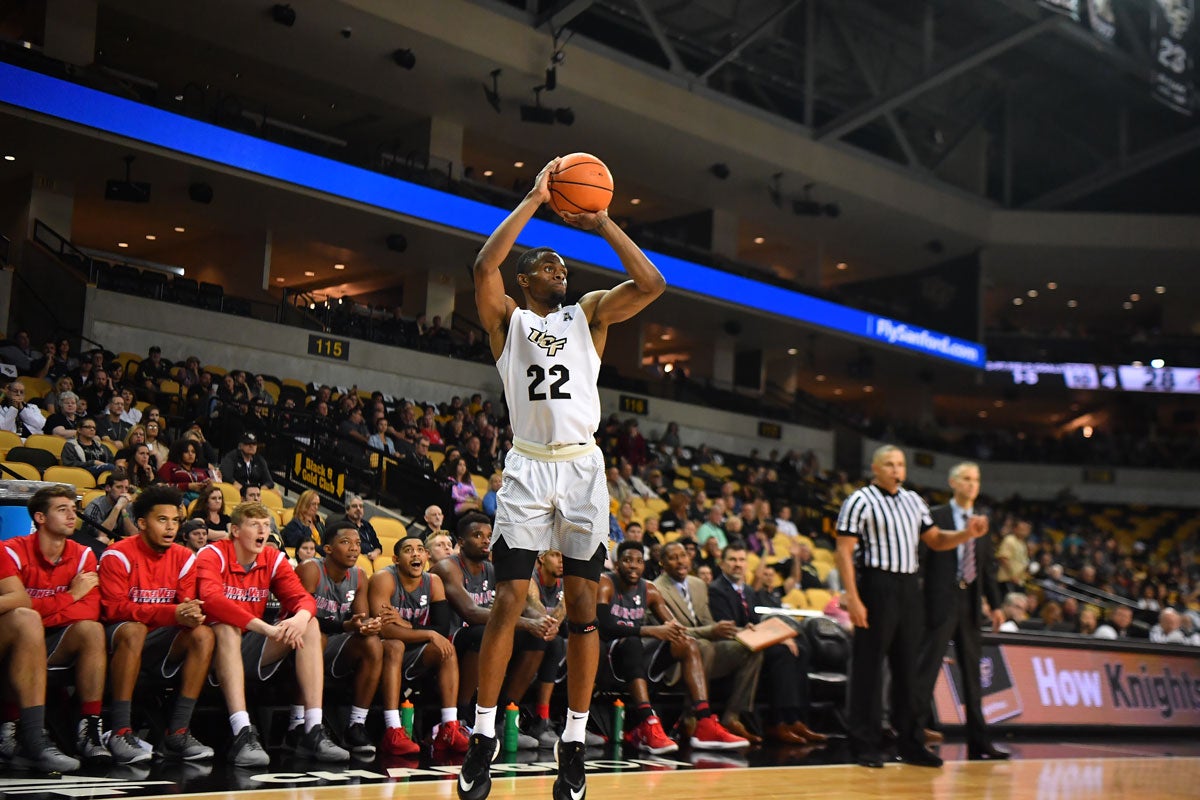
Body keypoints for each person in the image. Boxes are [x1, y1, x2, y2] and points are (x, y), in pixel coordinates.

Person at [459, 156, 666, 800]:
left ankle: (574, 742)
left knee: (582, 611)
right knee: (509, 604)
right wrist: (533, 196)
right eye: (549, 265)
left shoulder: (591, 314)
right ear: (528, 277)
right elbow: (482, 267)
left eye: (563, 267)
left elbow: (652, 282)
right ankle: (484, 734)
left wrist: (603, 221)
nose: (561, 271)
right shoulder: (508, 322)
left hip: (582, 467)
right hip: (526, 465)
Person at [834, 445, 988, 769]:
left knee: (908, 670)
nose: (896, 470)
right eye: (889, 464)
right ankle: (865, 742)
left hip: (909, 588)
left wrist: (965, 534)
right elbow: (844, 552)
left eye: (900, 464)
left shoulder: (914, 501)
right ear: (875, 469)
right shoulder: (860, 500)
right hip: (876, 585)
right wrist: (853, 597)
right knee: (869, 667)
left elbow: (935, 540)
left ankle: (911, 741)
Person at [196, 501, 349, 765]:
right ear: (234, 530)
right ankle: (242, 732)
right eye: (254, 525)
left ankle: (311, 728)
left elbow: (302, 598)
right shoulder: (212, 554)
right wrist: (264, 627)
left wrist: (301, 617)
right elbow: (212, 601)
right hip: (211, 651)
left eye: (266, 525)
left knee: (310, 624)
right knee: (226, 626)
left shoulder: (273, 558)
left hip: (250, 647)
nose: (262, 531)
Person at [98, 485, 216, 763]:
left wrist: (192, 613)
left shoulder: (185, 556)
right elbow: (115, 609)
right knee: (134, 629)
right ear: (141, 523)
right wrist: (172, 613)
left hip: (158, 640)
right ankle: (120, 730)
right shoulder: (117, 555)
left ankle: (178, 731)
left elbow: (184, 606)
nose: (170, 527)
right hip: (117, 639)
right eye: (162, 520)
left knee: (204, 635)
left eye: (175, 521)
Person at [597, 541, 749, 754]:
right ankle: (648, 721)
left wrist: (674, 629)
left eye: (639, 561)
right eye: (627, 560)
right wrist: (650, 631)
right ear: (616, 564)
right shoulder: (606, 583)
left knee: (686, 643)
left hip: (639, 657)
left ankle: (704, 721)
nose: (633, 566)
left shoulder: (649, 589)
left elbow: (673, 626)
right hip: (608, 658)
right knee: (632, 643)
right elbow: (603, 627)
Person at [5, 486, 113, 765]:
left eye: (74, 509)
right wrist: (69, 596)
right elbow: (20, 608)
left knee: (91, 629)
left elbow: (90, 608)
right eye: (62, 509)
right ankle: (29, 735)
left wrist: (39, 611)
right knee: (25, 621)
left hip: (50, 638)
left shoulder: (84, 554)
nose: (72, 515)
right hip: (12, 638)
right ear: (40, 517)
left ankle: (89, 729)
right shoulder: (10, 550)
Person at [913, 462, 1009, 761]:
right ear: (953, 483)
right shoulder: (936, 516)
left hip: (969, 603)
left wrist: (995, 606)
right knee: (926, 671)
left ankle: (979, 742)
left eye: (976, 479)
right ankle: (913, 737)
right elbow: (921, 561)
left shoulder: (981, 522)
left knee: (972, 675)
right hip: (939, 600)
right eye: (966, 479)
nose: (972, 484)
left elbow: (986, 569)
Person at [430, 514, 546, 745]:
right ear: (461, 542)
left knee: (537, 640)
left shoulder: (493, 568)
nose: (485, 541)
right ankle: (463, 715)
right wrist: (525, 622)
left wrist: (541, 620)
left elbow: (523, 605)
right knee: (482, 634)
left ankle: (505, 715)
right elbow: (470, 612)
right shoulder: (446, 567)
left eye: (489, 536)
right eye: (477, 535)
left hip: (486, 635)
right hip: (452, 639)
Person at [707, 542, 825, 745]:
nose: (738, 564)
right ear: (722, 563)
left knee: (800, 650)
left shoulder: (749, 590)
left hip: (753, 640)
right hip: (732, 645)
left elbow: (757, 621)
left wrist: (781, 636)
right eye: (733, 560)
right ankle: (777, 722)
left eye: (742, 560)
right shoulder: (716, 589)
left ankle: (796, 719)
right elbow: (727, 628)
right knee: (782, 653)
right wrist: (773, 640)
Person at [368, 534, 471, 755]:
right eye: (408, 550)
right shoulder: (383, 579)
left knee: (446, 648)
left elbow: (441, 629)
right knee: (395, 644)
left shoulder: (433, 582)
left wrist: (406, 625)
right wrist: (426, 633)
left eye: (420, 549)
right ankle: (393, 729)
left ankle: (449, 728)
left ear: (425, 556)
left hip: (414, 648)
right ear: (395, 559)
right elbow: (384, 629)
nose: (416, 554)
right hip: (382, 651)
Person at [652, 541, 764, 744]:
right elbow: (674, 631)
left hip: (706, 649)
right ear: (662, 563)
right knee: (703, 646)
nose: (680, 561)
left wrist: (740, 631)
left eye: (683, 555)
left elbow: (707, 622)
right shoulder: (656, 589)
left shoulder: (697, 584)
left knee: (751, 649)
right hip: (674, 657)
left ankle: (732, 716)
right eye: (673, 558)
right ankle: (692, 717)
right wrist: (711, 631)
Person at [295, 520, 384, 757]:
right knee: (316, 635)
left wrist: (369, 625)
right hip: (297, 638)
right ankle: (297, 723)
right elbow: (301, 616)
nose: (354, 548)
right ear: (328, 548)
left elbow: (360, 617)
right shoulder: (310, 569)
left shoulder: (359, 576)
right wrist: (345, 625)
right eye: (345, 542)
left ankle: (356, 724)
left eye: (357, 543)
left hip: (336, 641)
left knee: (373, 644)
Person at [80, 469, 139, 551]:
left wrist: (124, 511)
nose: (123, 492)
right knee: (103, 540)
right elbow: (101, 534)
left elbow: (134, 535)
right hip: (93, 545)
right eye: (119, 487)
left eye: (126, 488)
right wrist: (117, 508)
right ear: (108, 488)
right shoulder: (96, 506)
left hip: (119, 546)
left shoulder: (128, 506)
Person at [342, 493, 383, 563]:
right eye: (354, 506)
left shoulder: (367, 525)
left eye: (361, 506)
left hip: (372, 560)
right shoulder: (343, 526)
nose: (358, 509)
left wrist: (375, 553)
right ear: (347, 510)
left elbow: (378, 547)